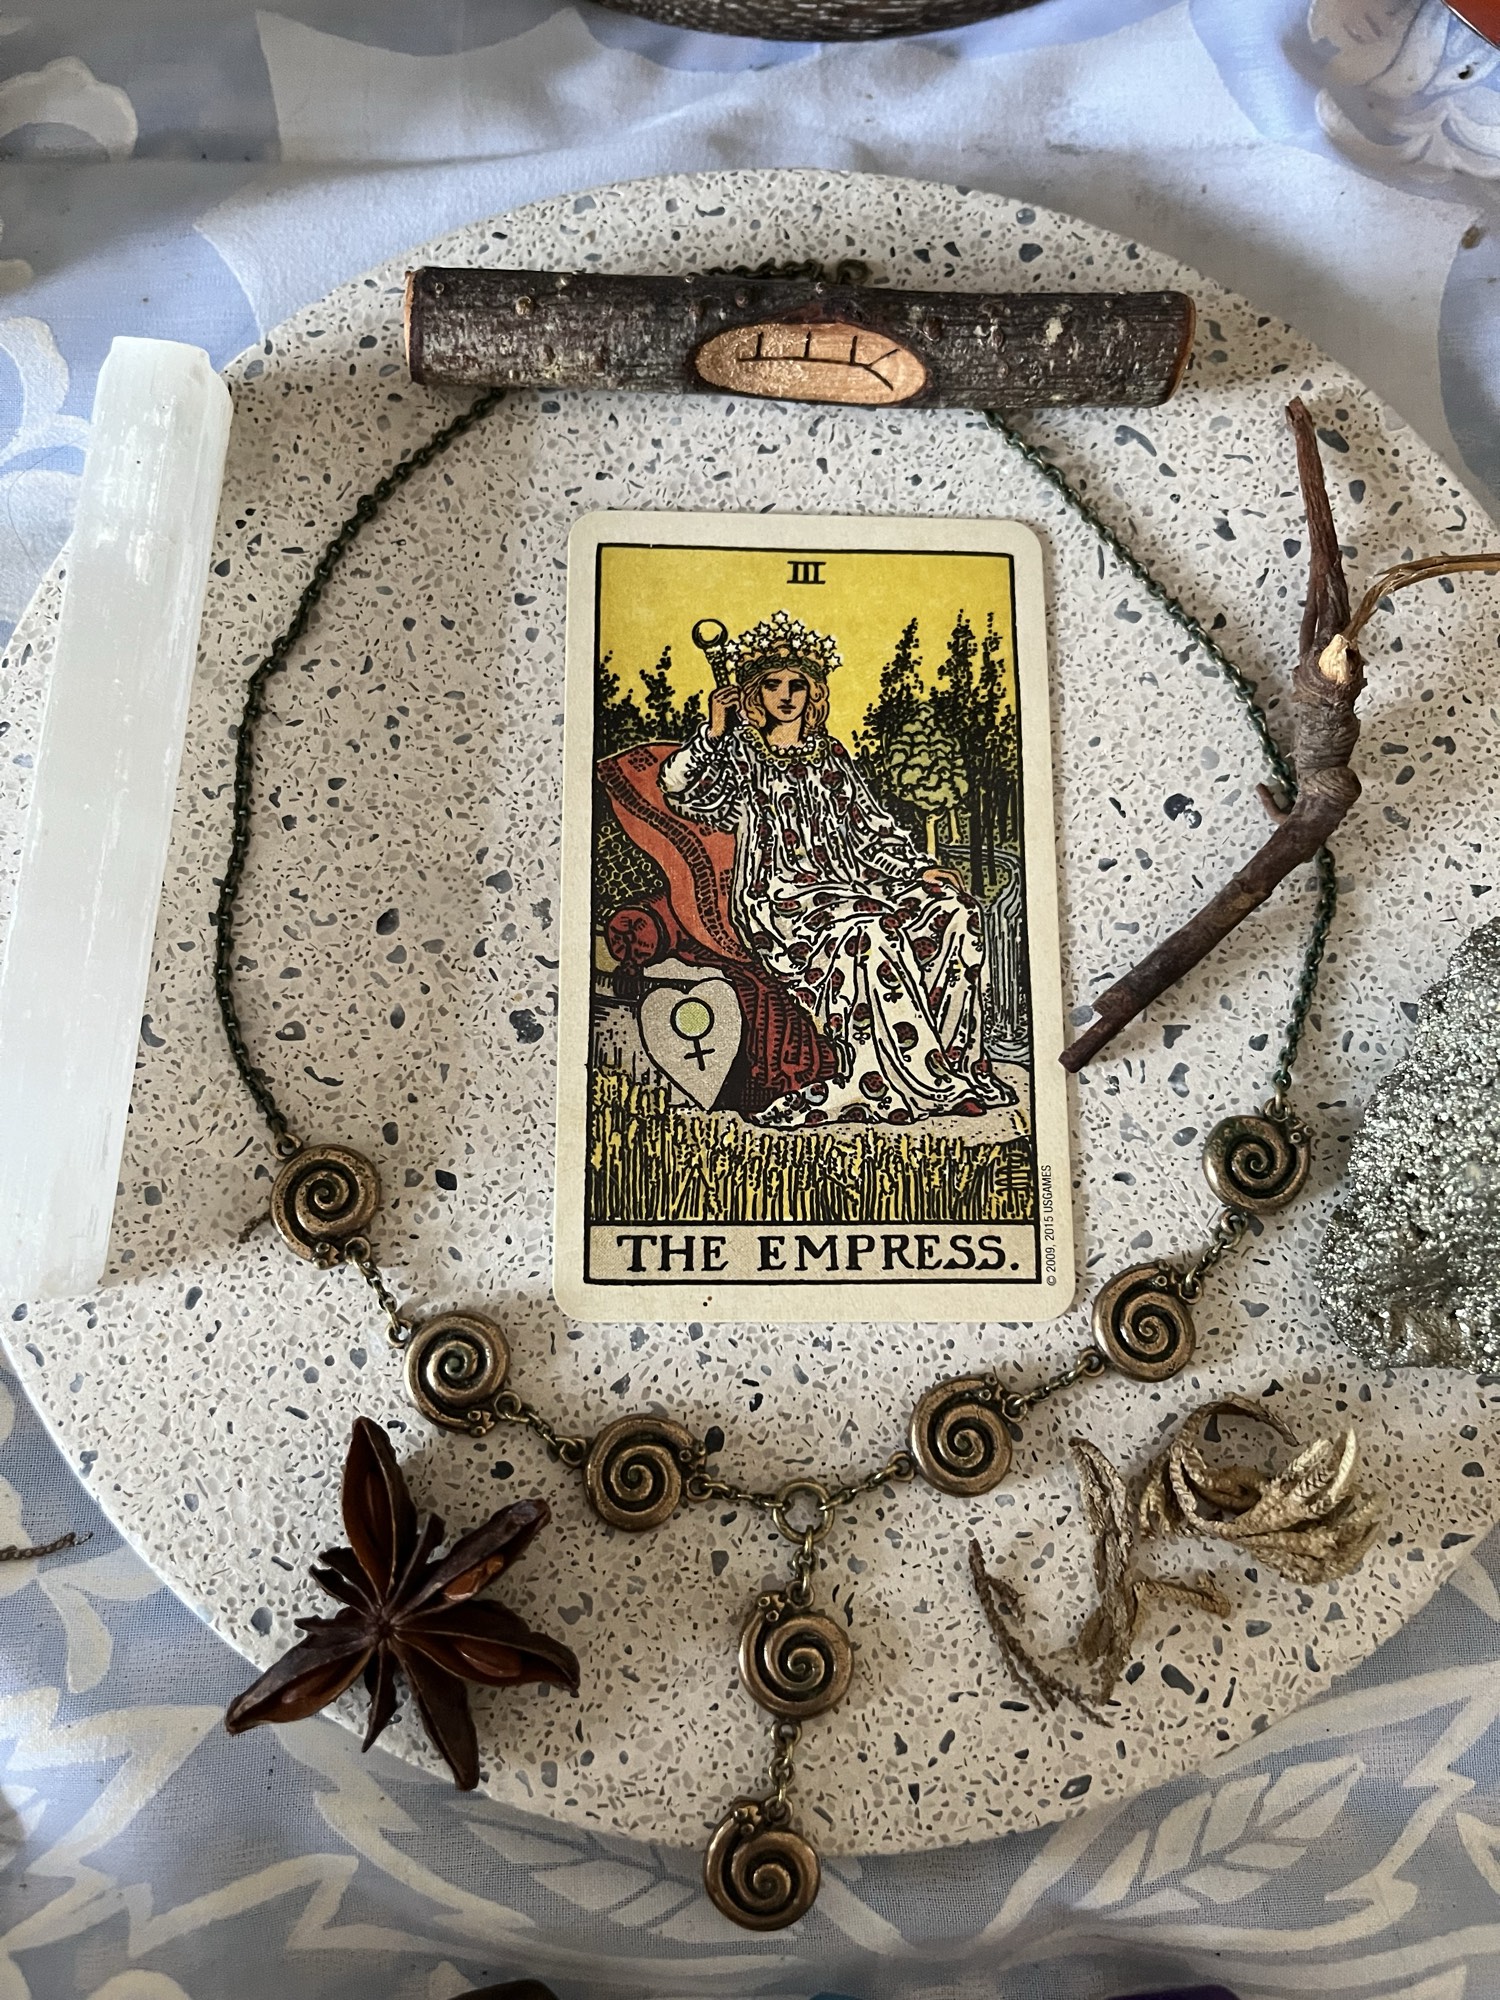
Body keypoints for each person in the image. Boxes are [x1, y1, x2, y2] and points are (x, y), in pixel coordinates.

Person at [658, 610, 1017, 1129]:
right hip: (780, 897)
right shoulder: (738, 752)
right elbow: (680, 789)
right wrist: (714, 731)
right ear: (755, 693)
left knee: (955, 911)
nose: (786, 696)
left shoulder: (829, 754)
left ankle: (953, 1067)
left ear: (813, 692)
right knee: (870, 933)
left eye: (797, 685)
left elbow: (870, 825)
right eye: (773, 685)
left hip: (853, 884)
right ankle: (915, 1083)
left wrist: (918, 870)